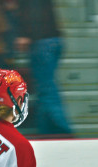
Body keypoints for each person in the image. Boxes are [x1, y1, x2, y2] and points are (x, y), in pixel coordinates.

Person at [15, 0, 73, 136]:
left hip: (42, 41)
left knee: (46, 89)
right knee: (43, 87)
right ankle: (45, 130)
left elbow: (34, 12)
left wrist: (26, 33)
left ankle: (63, 129)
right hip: (52, 39)